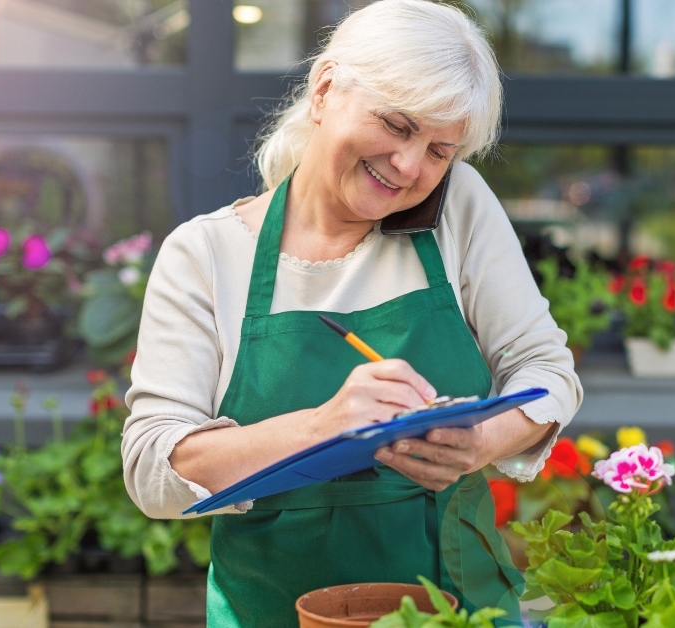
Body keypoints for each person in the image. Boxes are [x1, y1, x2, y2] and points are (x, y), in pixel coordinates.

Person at [120, 1, 581, 626]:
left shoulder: (457, 211)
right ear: (326, 88)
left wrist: (480, 444)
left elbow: (547, 370)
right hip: (272, 611)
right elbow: (154, 469)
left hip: (461, 607)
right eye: (396, 125)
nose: (411, 167)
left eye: (440, 150)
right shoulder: (205, 254)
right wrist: (322, 427)